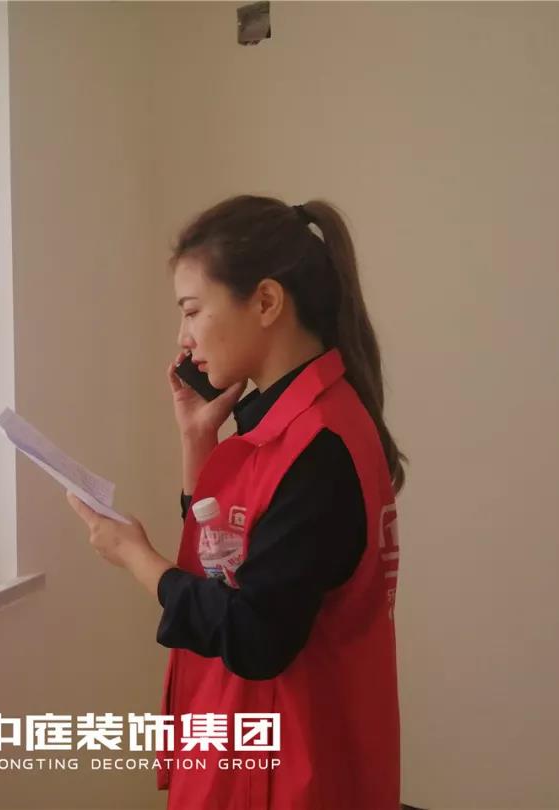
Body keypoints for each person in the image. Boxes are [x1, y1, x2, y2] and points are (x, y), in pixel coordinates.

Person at [66, 194, 407, 809]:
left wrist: (138, 558)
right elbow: (230, 558)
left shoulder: (317, 447)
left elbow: (254, 635)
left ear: (267, 302)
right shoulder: (293, 424)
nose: (183, 338)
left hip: (288, 773)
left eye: (193, 311)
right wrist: (198, 439)